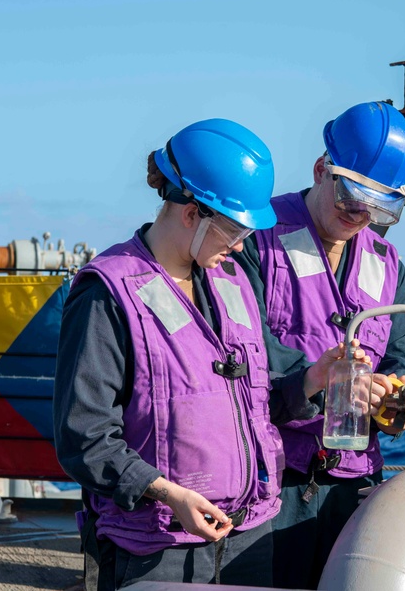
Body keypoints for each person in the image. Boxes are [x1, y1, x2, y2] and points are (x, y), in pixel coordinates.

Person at [52, 118, 371, 590]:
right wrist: (167, 494)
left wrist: (311, 380)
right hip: (158, 548)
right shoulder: (108, 294)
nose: (242, 245)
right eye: (234, 230)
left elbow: (254, 403)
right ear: (191, 214)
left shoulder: (234, 282)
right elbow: (84, 436)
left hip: (250, 537)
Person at [234, 101, 405, 589]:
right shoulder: (256, 239)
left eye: (378, 207)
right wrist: (313, 378)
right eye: (349, 199)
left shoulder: (387, 262)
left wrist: (393, 393)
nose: (359, 215)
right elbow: (241, 352)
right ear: (322, 170)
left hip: (355, 485)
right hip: (275, 480)